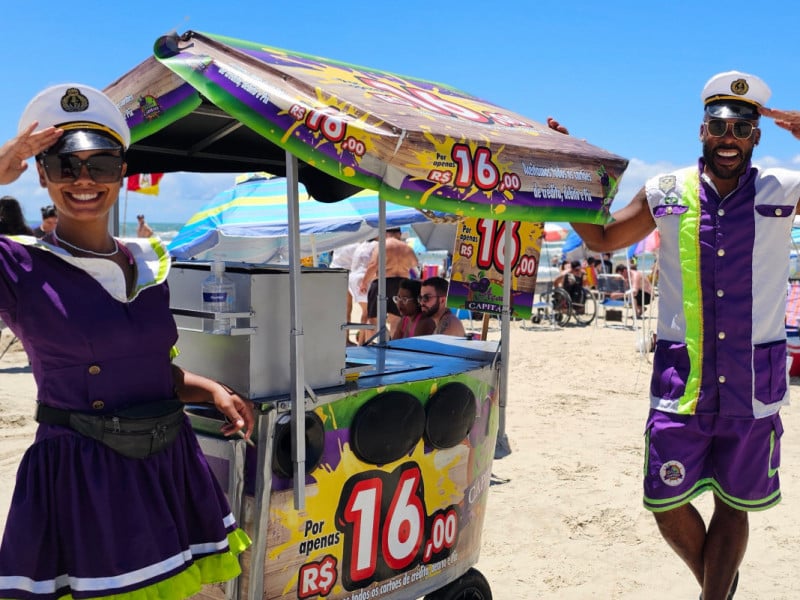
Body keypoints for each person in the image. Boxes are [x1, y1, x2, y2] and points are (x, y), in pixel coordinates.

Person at [0, 83, 255, 599]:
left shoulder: (150, 262)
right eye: (66, 166)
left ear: (122, 172)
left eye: (102, 164)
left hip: (166, 462)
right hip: (84, 478)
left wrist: (209, 390)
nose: (84, 180)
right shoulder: (20, 268)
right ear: (42, 174)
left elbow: (149, 371)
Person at [564, 70, 800, 600]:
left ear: (757, 135)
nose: (729, 139)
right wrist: (568, 177)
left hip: (751, 380)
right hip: (682, 377)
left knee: (735, 502)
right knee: (665, 501)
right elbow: (603, 238)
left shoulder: (784, 189)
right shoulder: (666, 191)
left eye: (742, 128)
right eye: (719, 126)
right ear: (701, 131)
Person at [359, 227, 419, 337]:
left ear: (386, 233)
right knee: (396, 319)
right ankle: (393, 346)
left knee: (373, 318)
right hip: (402, 284)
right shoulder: (407, 248)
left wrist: (364, 282)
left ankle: (371, 346)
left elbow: (373, 265)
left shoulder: (382, 245)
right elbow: (415, 264)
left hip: (382, 281)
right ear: (399, 234)